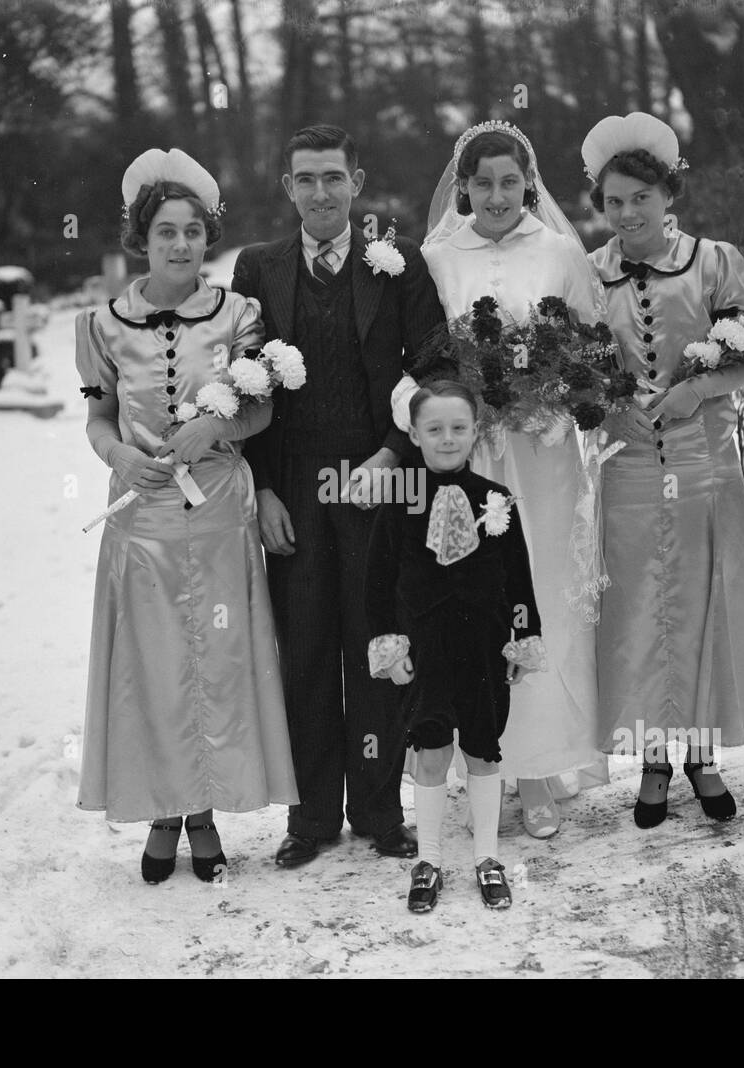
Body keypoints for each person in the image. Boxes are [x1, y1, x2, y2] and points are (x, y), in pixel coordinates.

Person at [75, 148, 298, 883]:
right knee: (157, 669)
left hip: (217, 516)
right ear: (142, 238)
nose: (181, 245)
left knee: (218, 665)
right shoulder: (103, 325)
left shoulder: (235, 314)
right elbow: (100, 419)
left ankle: (203, 813)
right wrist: (116, 459)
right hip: (143, 523)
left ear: (209, 238)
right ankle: (164, 810)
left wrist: (219, 428)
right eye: (166, 231)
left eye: (194, 232)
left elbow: (261, 408)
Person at [232, 125, 448, 868]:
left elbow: (433, 364)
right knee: (308, 649)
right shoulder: (258, 268)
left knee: (380, 646)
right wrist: (262, 490)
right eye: (305, 179)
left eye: (333, 177)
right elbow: (241, 392)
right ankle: (312, 815)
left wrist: (392, 453)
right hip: (295, 484)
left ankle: (383, 813)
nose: (320, 192)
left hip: (379, 479)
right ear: (287, 188)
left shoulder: (398, 265)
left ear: (357, 182)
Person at [391, 121, 610, 839]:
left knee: (533, 596)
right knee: (467, 604)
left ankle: (538, 769)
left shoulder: (557, 253)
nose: (495, 196)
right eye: (481, 183)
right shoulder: (435, 257)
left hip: (539, 458)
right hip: (465, 459)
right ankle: (477, 755)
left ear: (529, 184)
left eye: (509, 182)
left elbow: (591, 348)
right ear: (462, 188)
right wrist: (434, 414)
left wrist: (549, 389)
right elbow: (413, 362)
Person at [581, 113, 744, 828]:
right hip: (629, 470)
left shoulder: (714, 261)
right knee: (639, 616)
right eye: (614, 201)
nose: (628, 212)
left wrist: (694, 390)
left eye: (641, 197)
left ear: (669, 195)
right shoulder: (589, 273)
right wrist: (607, 410)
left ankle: (701, 755)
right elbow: (573, 373)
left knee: (701, 609)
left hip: (702, 465)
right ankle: (651, 760)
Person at [366, 380, 547, 911]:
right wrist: (389, 649)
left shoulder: (496, 499)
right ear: (415, 435)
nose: (448, 439)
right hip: (424, 650)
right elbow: (376, 587)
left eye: (458, 428)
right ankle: (429, 860)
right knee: (430, 750)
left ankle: (487, 858)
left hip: (484, 647)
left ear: (474, 431)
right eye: (435, 429)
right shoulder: (397, 506)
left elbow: (519, 581)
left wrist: (522, 641)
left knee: (483, 750)